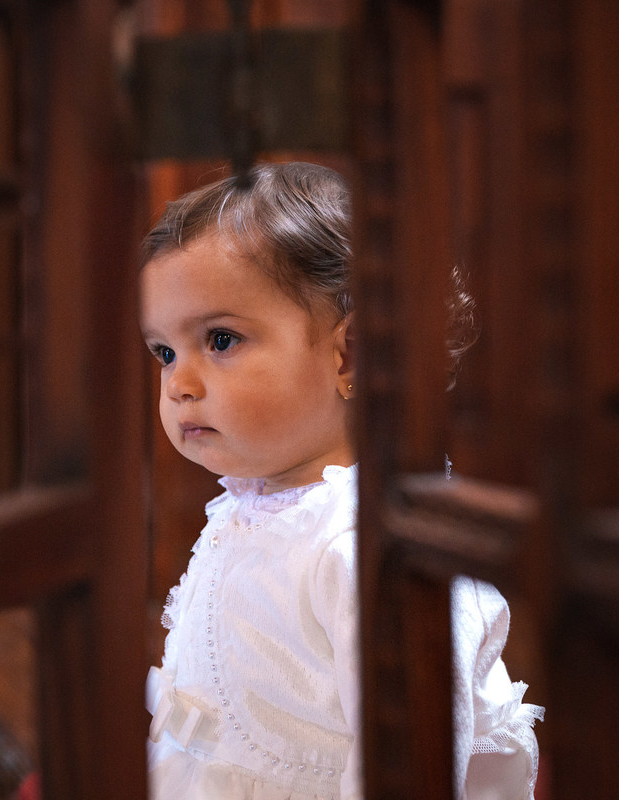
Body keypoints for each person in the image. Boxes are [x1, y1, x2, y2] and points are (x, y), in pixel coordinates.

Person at [139, 162, 543, 800]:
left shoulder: (369, 542)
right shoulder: (264, 503)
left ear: (351, 353)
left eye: (219, 339)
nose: (178, 384)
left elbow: (416, 755)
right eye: (163, 351)